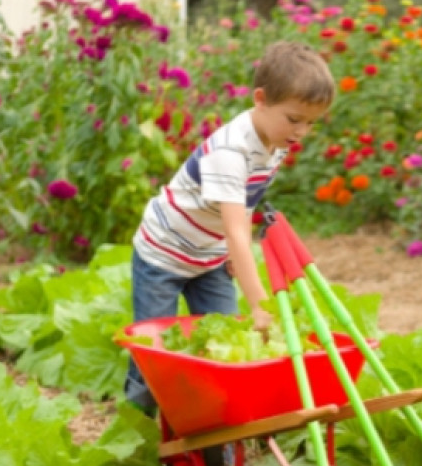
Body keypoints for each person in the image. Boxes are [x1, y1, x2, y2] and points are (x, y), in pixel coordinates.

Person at [125, 41, 335, 413]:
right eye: (294, 119)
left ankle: (213, 435)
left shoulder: (276, 140)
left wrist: (231, 256)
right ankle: (137, 435)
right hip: (164, 254)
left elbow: (244, 203)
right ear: (260, 99)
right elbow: (238, 230)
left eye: (310, 123)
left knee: (225, 347)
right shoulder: (230, 151)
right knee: (153, 355)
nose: (301, 131)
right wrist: (259, 305)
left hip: (210, 258)